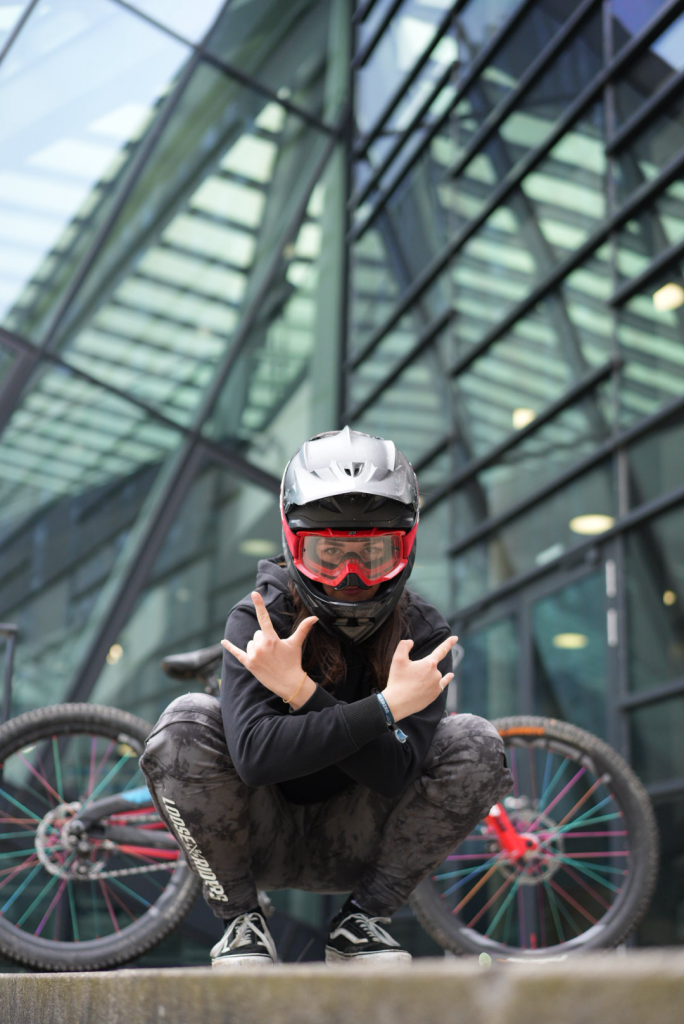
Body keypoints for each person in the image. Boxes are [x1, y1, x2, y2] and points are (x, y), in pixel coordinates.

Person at [140, 427, 512, 968]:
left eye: (373, 553)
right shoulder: (262, 618)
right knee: (185, 723)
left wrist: (299, 693)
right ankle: (240, 921)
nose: (352, 576)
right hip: (252, 838)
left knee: (476, 740)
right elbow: (256, 757)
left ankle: (362, 922)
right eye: (330, 553)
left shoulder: (425, 633)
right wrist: (384, 709)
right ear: (295, 544)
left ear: (404, 546)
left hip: (360, 845)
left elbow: (394, 773)